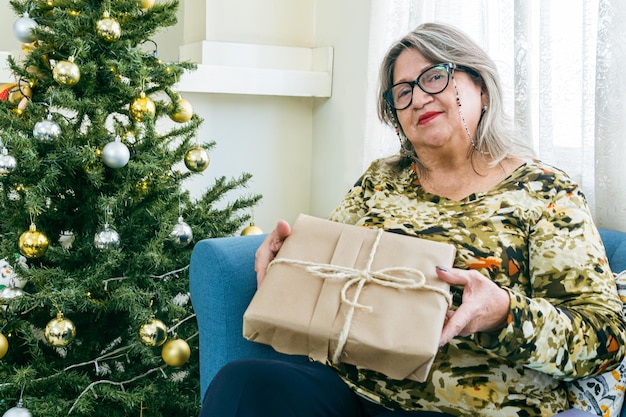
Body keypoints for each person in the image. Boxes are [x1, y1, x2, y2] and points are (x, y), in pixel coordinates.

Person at [199, 22, 626, 417]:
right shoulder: (381, 181)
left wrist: (503, 313)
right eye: (402, 92)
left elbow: (603, 338)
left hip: (481, 406)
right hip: (361, 392)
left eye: (435, 76)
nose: (419, 98)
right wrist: (285, 259)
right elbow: (327, 279)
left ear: (479, 84)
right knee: (243, 383)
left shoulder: (543, 191)